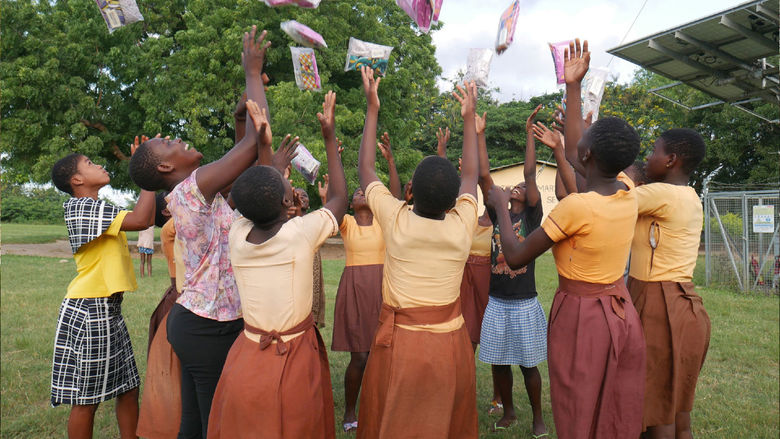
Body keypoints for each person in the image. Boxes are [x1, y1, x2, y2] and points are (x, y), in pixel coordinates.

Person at [485, 39, 646, 439]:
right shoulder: (628, 190)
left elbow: (518, 253)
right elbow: (578, 153)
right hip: (620, 309)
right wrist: (573, 88)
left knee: (576, 401)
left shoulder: (577, 208)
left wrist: (501, 209)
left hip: (583, 314)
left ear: (587, 155)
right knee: (611, 400)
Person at [128, 26, 273, 438]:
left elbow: (244, 150)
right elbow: (256, 140)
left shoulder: (197, 194)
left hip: (196, 322)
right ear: (164, 168)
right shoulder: (191, 191)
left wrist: (240, 111)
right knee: (217, 422)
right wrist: (251, 72)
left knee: (195, 421)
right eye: (169, 143)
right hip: (208, 328)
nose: (178, 139)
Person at [206, 90, 347, 439]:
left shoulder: (237, 234)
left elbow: (254, 193)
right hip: (295, 354)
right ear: (288, 204)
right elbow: (339, 199)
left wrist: (264, 149)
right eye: (285, 181)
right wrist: (329, 138)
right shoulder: (300, 233)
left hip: (248, 354)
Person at [356, 66, 480, 438]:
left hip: (402, 343)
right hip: (450, 341)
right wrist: (469, 117)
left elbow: (365, 169)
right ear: (452, 200)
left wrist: (372, 107)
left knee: (391, 419)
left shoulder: (395, 218)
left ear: (410, 193)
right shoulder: (462, 226)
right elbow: (471, 175)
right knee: (446, 420)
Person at [50, 148, 155, 439]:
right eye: (89, 163)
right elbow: (142, 219)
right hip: (89, 310)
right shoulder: (81, 207)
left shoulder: (99, 206)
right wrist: (146, 173)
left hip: (109, 308)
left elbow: (142, 215)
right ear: (77, 180)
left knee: (128, 387)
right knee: (86, 401)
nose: (98, 164)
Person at [626, 128, 711, 439]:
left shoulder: (660, 194)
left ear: (671, 159)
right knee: (677, 413)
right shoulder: (689, 195)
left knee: (655, 415)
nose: (648, 157)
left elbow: (605, 197)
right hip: (685, 306)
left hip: (658, 306)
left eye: (654, 151)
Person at [478, 105, 548, 436]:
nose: (518, 187)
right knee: (499, 361)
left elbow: (532, 174)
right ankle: (508, 413)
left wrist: (528, 134)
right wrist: (478, 134)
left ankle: (537, 417)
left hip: (523, 302)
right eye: (514, 187)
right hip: (497, 301)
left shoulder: (531, 218)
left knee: (527, 364)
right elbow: (483, 177)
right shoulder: (499, 217)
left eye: (521, 187)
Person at [325, 130, 401, 433]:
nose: (359, 193)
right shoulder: (346, 224)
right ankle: (350, 409)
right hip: (355, 290)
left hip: (382, 289)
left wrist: (391, 163)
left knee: (381, 355)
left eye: (363, 191)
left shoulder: (385, 223)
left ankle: (380, 405)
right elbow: (335, 197)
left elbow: (394, 198)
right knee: (359, 356)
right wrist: (337, 162)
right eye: (355, 193)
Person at [137, 189, 182, 439]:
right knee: (174, 382)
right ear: (167, 211)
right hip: (180, 306)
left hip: (181, 305)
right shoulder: (172, 229)